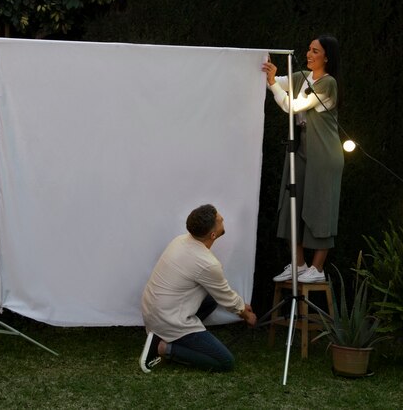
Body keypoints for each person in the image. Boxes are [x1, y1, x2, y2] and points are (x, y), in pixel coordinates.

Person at [261, 35, 343, 284]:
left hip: (325, 154)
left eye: (315, 51)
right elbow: (278, 83)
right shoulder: (303, 77)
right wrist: (270, 73)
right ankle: (298, 264)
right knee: (291, 203)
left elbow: (292, 106)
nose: (309, 54)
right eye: (308, 49)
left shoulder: (328, 84)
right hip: (302, 151)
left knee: (321, 208)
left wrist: (274, 83)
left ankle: (316, 269)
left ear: (326, 57)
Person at [139, 204, 257, 373]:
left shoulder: (180, 240)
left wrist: (239, 305)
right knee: (225, 362)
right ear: (213, 234)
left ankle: (164, 336)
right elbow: (227, 297)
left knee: (210, 301)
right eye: (219, 219)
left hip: (152, 312)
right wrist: (246, 314)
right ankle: (163, 347)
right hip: (167, 319)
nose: (222, 217)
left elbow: (221, 294)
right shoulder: (207, 264)